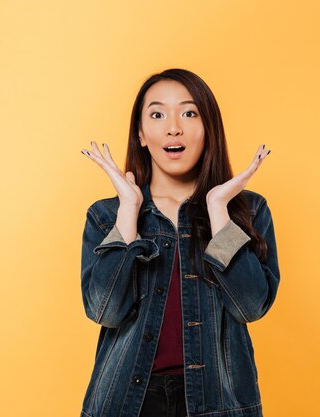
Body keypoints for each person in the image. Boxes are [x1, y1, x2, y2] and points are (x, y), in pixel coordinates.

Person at [79, 68, 280, 417]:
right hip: (127, 404)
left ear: (208, 129)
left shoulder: (249, 210)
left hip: (218, 403)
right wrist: (129, 210)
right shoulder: (106, 215)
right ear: (141, 134)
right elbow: (105, 311)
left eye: (189, 113)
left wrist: (218, 211)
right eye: (157, 114)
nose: (174, 127)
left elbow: (251, 307)